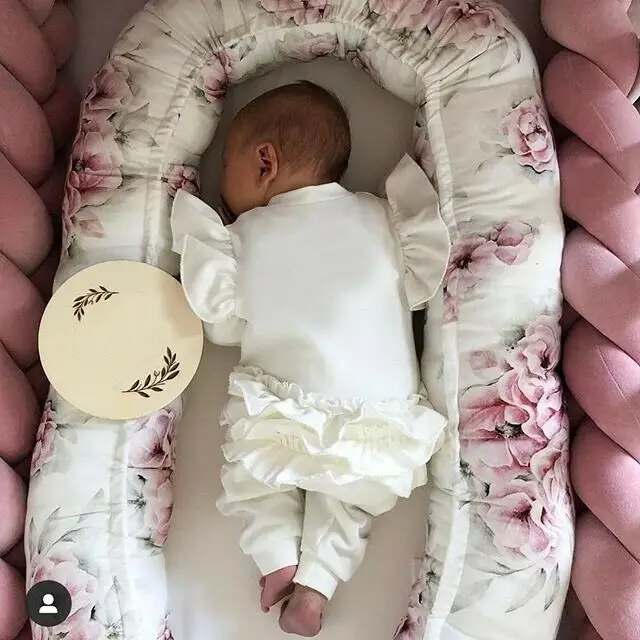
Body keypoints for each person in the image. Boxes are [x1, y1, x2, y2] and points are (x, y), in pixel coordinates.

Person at [170, 81, 450, 636]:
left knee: (256, 477)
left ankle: (277, 557)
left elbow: (222, 328)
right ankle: (317, 586)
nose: (222, 186)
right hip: (381, 418)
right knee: (350, 503)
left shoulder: (242, 239)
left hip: (283, 408)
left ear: (264, 162)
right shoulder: (385, 217)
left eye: (226, 165)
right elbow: (419, 291)